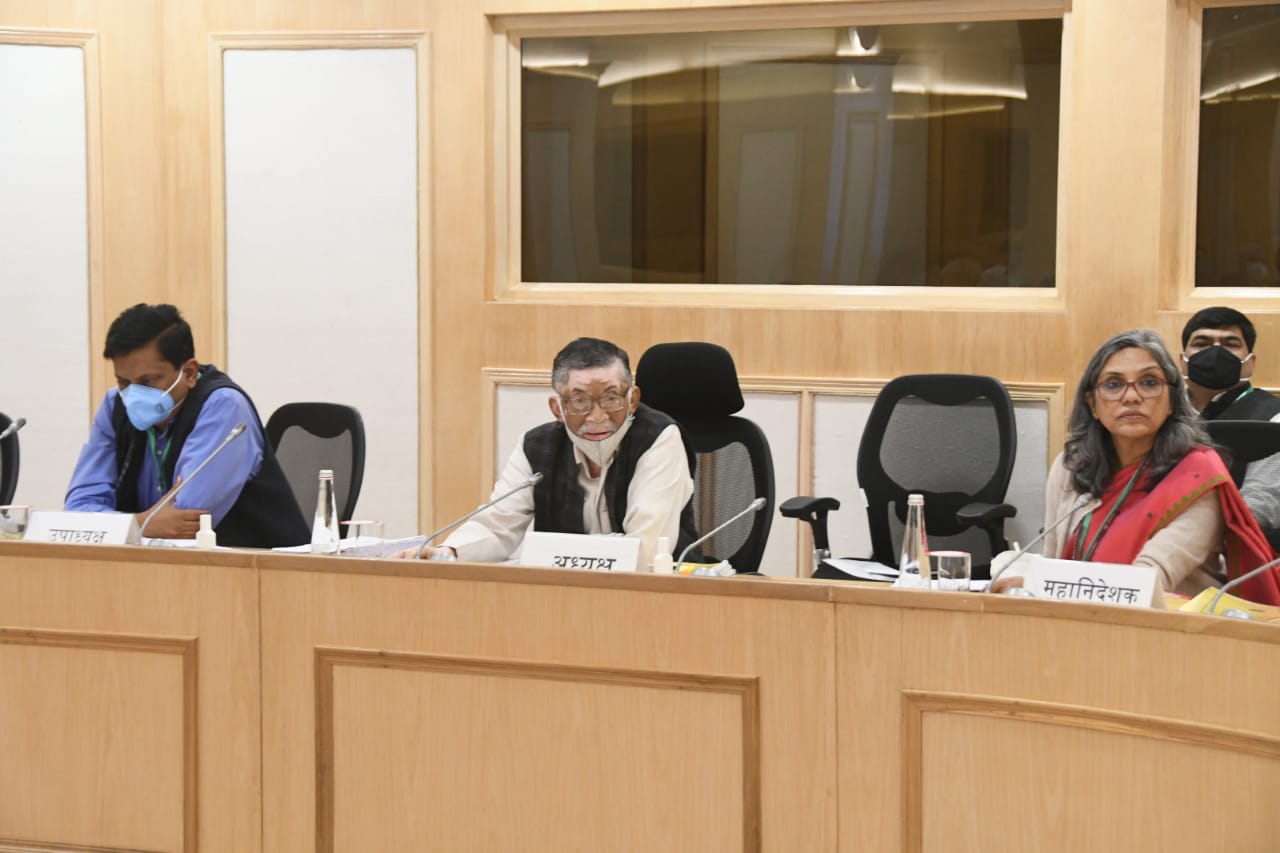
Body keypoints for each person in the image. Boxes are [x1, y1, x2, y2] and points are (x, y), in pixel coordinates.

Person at [994, 328, 1279, 604]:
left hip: (1173, 626)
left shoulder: (1198, 474)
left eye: (1149, 383)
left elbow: (1148, 579)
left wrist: (1040, 584)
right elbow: (1054, 559)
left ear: (1172, 400)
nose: (1131, 397)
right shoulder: (1072, 465)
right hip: (1079, 620)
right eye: (1113, 384)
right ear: (1092, 403)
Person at [404, 337, 696, 566]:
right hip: (563, 596)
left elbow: (645, 548)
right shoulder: (536, 446)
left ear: (632, 400)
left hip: (665, 595)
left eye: (610, 398)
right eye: (579, 401)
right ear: (557, 408)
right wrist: (447, 553)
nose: (597, 417)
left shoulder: (659, 438)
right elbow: (498, 526)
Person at [65, 303, 309, 548]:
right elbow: (77, 513)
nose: (133, 395)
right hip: (156, 562)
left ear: (189, 373)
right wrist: (141, 524)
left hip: (257, 563)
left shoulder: (224, 406)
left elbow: (185, 523)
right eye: (123, 382)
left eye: (147, 381)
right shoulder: (114, 406)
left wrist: (115, 525)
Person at [1180, 306, 1280, 530]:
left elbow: (1263, 504)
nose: (1215, 352)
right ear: (1182, 360)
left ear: (1251, 362)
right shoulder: (1161, 413)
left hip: (1235, 543)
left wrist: (1186, 529)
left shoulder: (1274, 418)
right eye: (1202, 343)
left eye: (1230, 344)